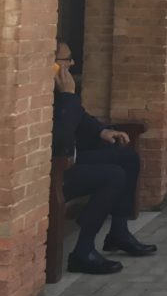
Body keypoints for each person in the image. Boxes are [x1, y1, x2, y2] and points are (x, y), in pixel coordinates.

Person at [53, 41, 157, 274]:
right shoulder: (42, 93)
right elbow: (60, 140)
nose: (71, 63)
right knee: (113, 176)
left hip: (72, 160)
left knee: (127, 158)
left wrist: (103, 131)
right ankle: (83, 251)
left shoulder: (62, 89)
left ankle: (119, 232)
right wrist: (68, 96)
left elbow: (79, 115)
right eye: (66, 59)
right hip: (53, 170)